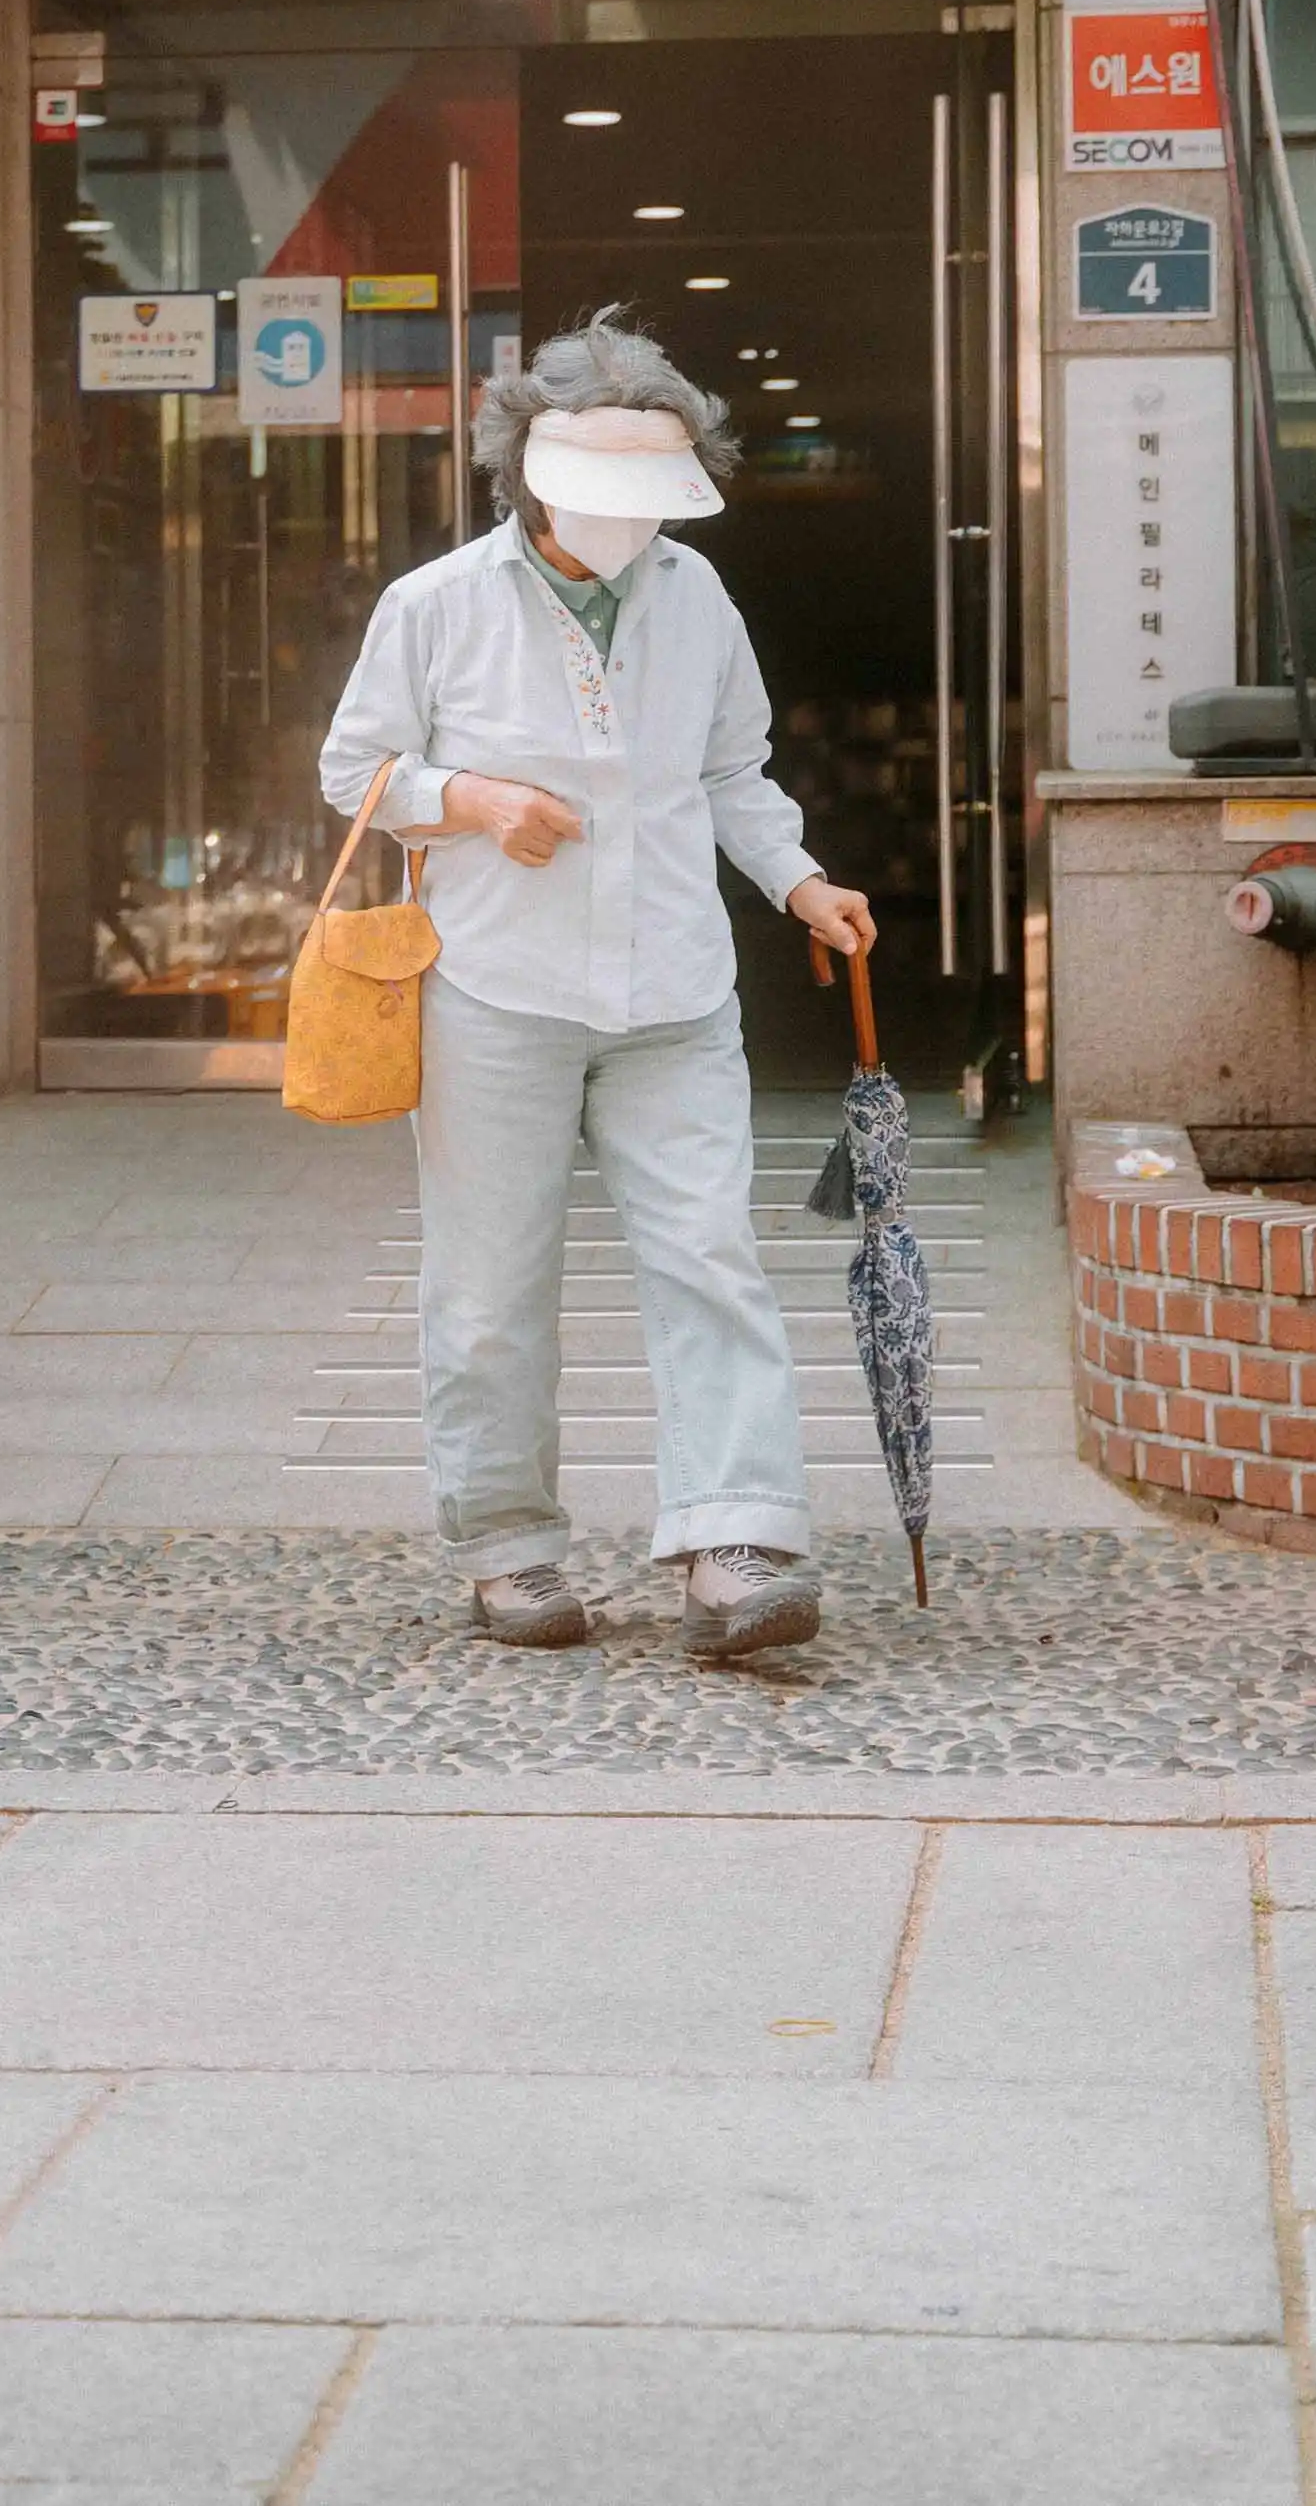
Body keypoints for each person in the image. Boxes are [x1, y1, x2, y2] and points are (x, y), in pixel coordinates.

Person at [319, 309, 876, 1661]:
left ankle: (736, 1543)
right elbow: (356, 776)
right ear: (531, 475)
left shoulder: (696, 597)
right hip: (494, 991)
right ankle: (509, 1548)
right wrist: (474, 798)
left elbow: (733, 775)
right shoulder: (437, 606)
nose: (632, 526)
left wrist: (800, 882)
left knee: (712, 1258)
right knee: (488, 1285)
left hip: (675, 989)